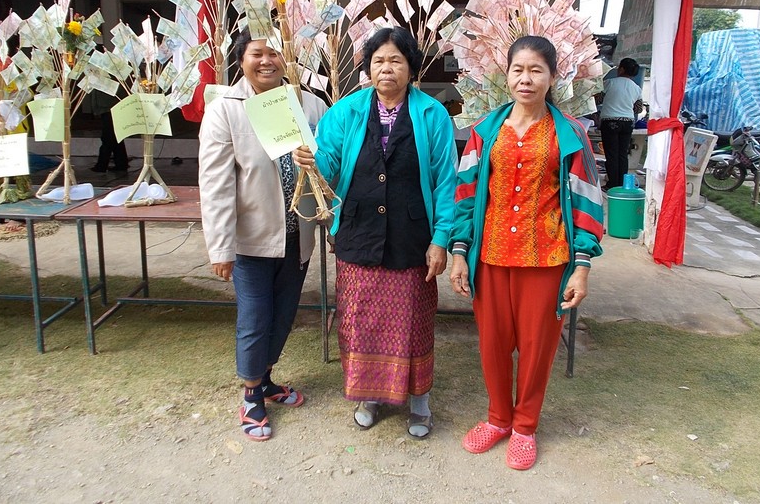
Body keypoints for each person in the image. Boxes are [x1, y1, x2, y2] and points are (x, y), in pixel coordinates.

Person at [293, 27, 457, 438]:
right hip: (358, 232)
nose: (387, 68)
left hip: (412, 236)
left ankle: (419, 401)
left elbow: (446, 181)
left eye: (396, 60)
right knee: (361, 319)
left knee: (413, 321)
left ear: (411, 67)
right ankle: (369, 396)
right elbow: (328, 165)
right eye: (379, 61)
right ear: (368, 68)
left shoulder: (431, 114)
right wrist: (311, 160)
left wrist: (441, 239)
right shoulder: (345, 112)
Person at [448, 35, 603, 470]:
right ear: (507, 74)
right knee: (493, 344)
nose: (526, 79)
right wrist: (459, 251)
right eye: (518, 69)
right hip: (490, 256)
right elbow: (465, 193)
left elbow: (588, 200)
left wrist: (582, 266)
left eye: (537, 70)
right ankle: (498, 418)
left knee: (537, 348)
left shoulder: (569, 134)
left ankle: (525, 427)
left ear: (553, 77)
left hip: (547, 258)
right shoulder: (484, 131)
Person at [199, 28, 328, 442]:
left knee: (284, 314)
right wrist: (221, 246)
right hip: (252, 238)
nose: (267, 60)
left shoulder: (309, 103)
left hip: (297, 234)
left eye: (275, 52)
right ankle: (252, 394)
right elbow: (216, 184)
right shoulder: (226, 110)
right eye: (258, 53)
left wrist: (330, 216)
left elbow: (330, 164)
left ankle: (267, 379)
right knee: (255, 318)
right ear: (242, 60)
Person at [599, 57, 643, 189]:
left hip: (610, 121)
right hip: (628, 122)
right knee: (623, 154)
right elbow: (638, 109)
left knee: (611, 154)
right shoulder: (636, 88)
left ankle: (612, 184)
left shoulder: (609, 83)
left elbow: (598, 100)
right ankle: (623, 184)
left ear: (622, 69)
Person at [90, 88, 128, 173]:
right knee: (114, 136)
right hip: (111, 103)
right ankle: (121, 163)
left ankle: (102, 165)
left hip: (110, 103)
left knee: (108, 136)